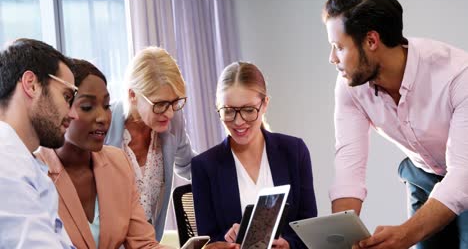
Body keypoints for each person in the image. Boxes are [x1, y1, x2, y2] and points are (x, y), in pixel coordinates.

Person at [322, 0, 468, 248]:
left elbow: (462, 176)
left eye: (338, 47)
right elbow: (349, 168)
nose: (332, 58)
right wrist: (340, 239)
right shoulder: (349, 86)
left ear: (371, 41)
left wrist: (405, 234)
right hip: (423, 174)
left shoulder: (458, 76)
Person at [35, 59, 166, 248]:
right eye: (87, 107)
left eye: (106, 106)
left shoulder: (118, 162)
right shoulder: (34, 172)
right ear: (61, 107)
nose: (103, 118)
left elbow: (143, 244)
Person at [191, 62, 317, 249]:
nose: (238, 121)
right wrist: (226, 240)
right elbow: (208, 241)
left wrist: (288, 244)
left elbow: (308, 229)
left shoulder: (294, 151)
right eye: (229, 111)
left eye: (249, 110)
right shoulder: (205, 166)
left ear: (265, 104)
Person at [105, 47, 195, 240]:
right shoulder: (103, 124)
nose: (169, 113)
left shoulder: (173, 121)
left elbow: (189, 166)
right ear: (132, 95)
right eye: (160, 104)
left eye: (175, 102)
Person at [0, 38, 77, 248]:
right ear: (31, 84)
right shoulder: (5, 163)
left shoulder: (20, 160)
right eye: (67, 96)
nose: (73, 114)